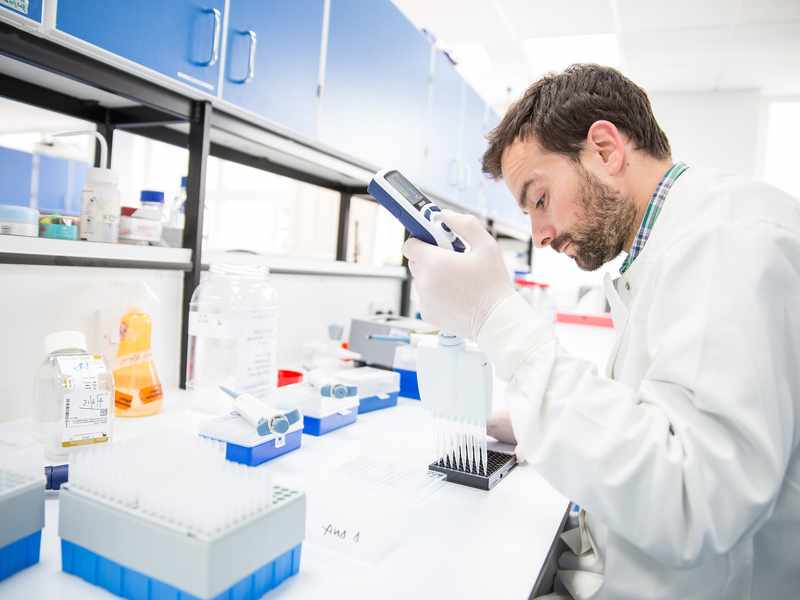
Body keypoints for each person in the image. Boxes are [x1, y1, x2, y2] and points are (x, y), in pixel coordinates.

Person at [403, 64, 800, 599]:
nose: (539, 236)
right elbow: (661, 416)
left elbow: (694, 499)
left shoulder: (726, 241)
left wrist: (496, 317)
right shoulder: (674, 241)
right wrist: (537, 420)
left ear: (605, 150)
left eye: (539, 199)